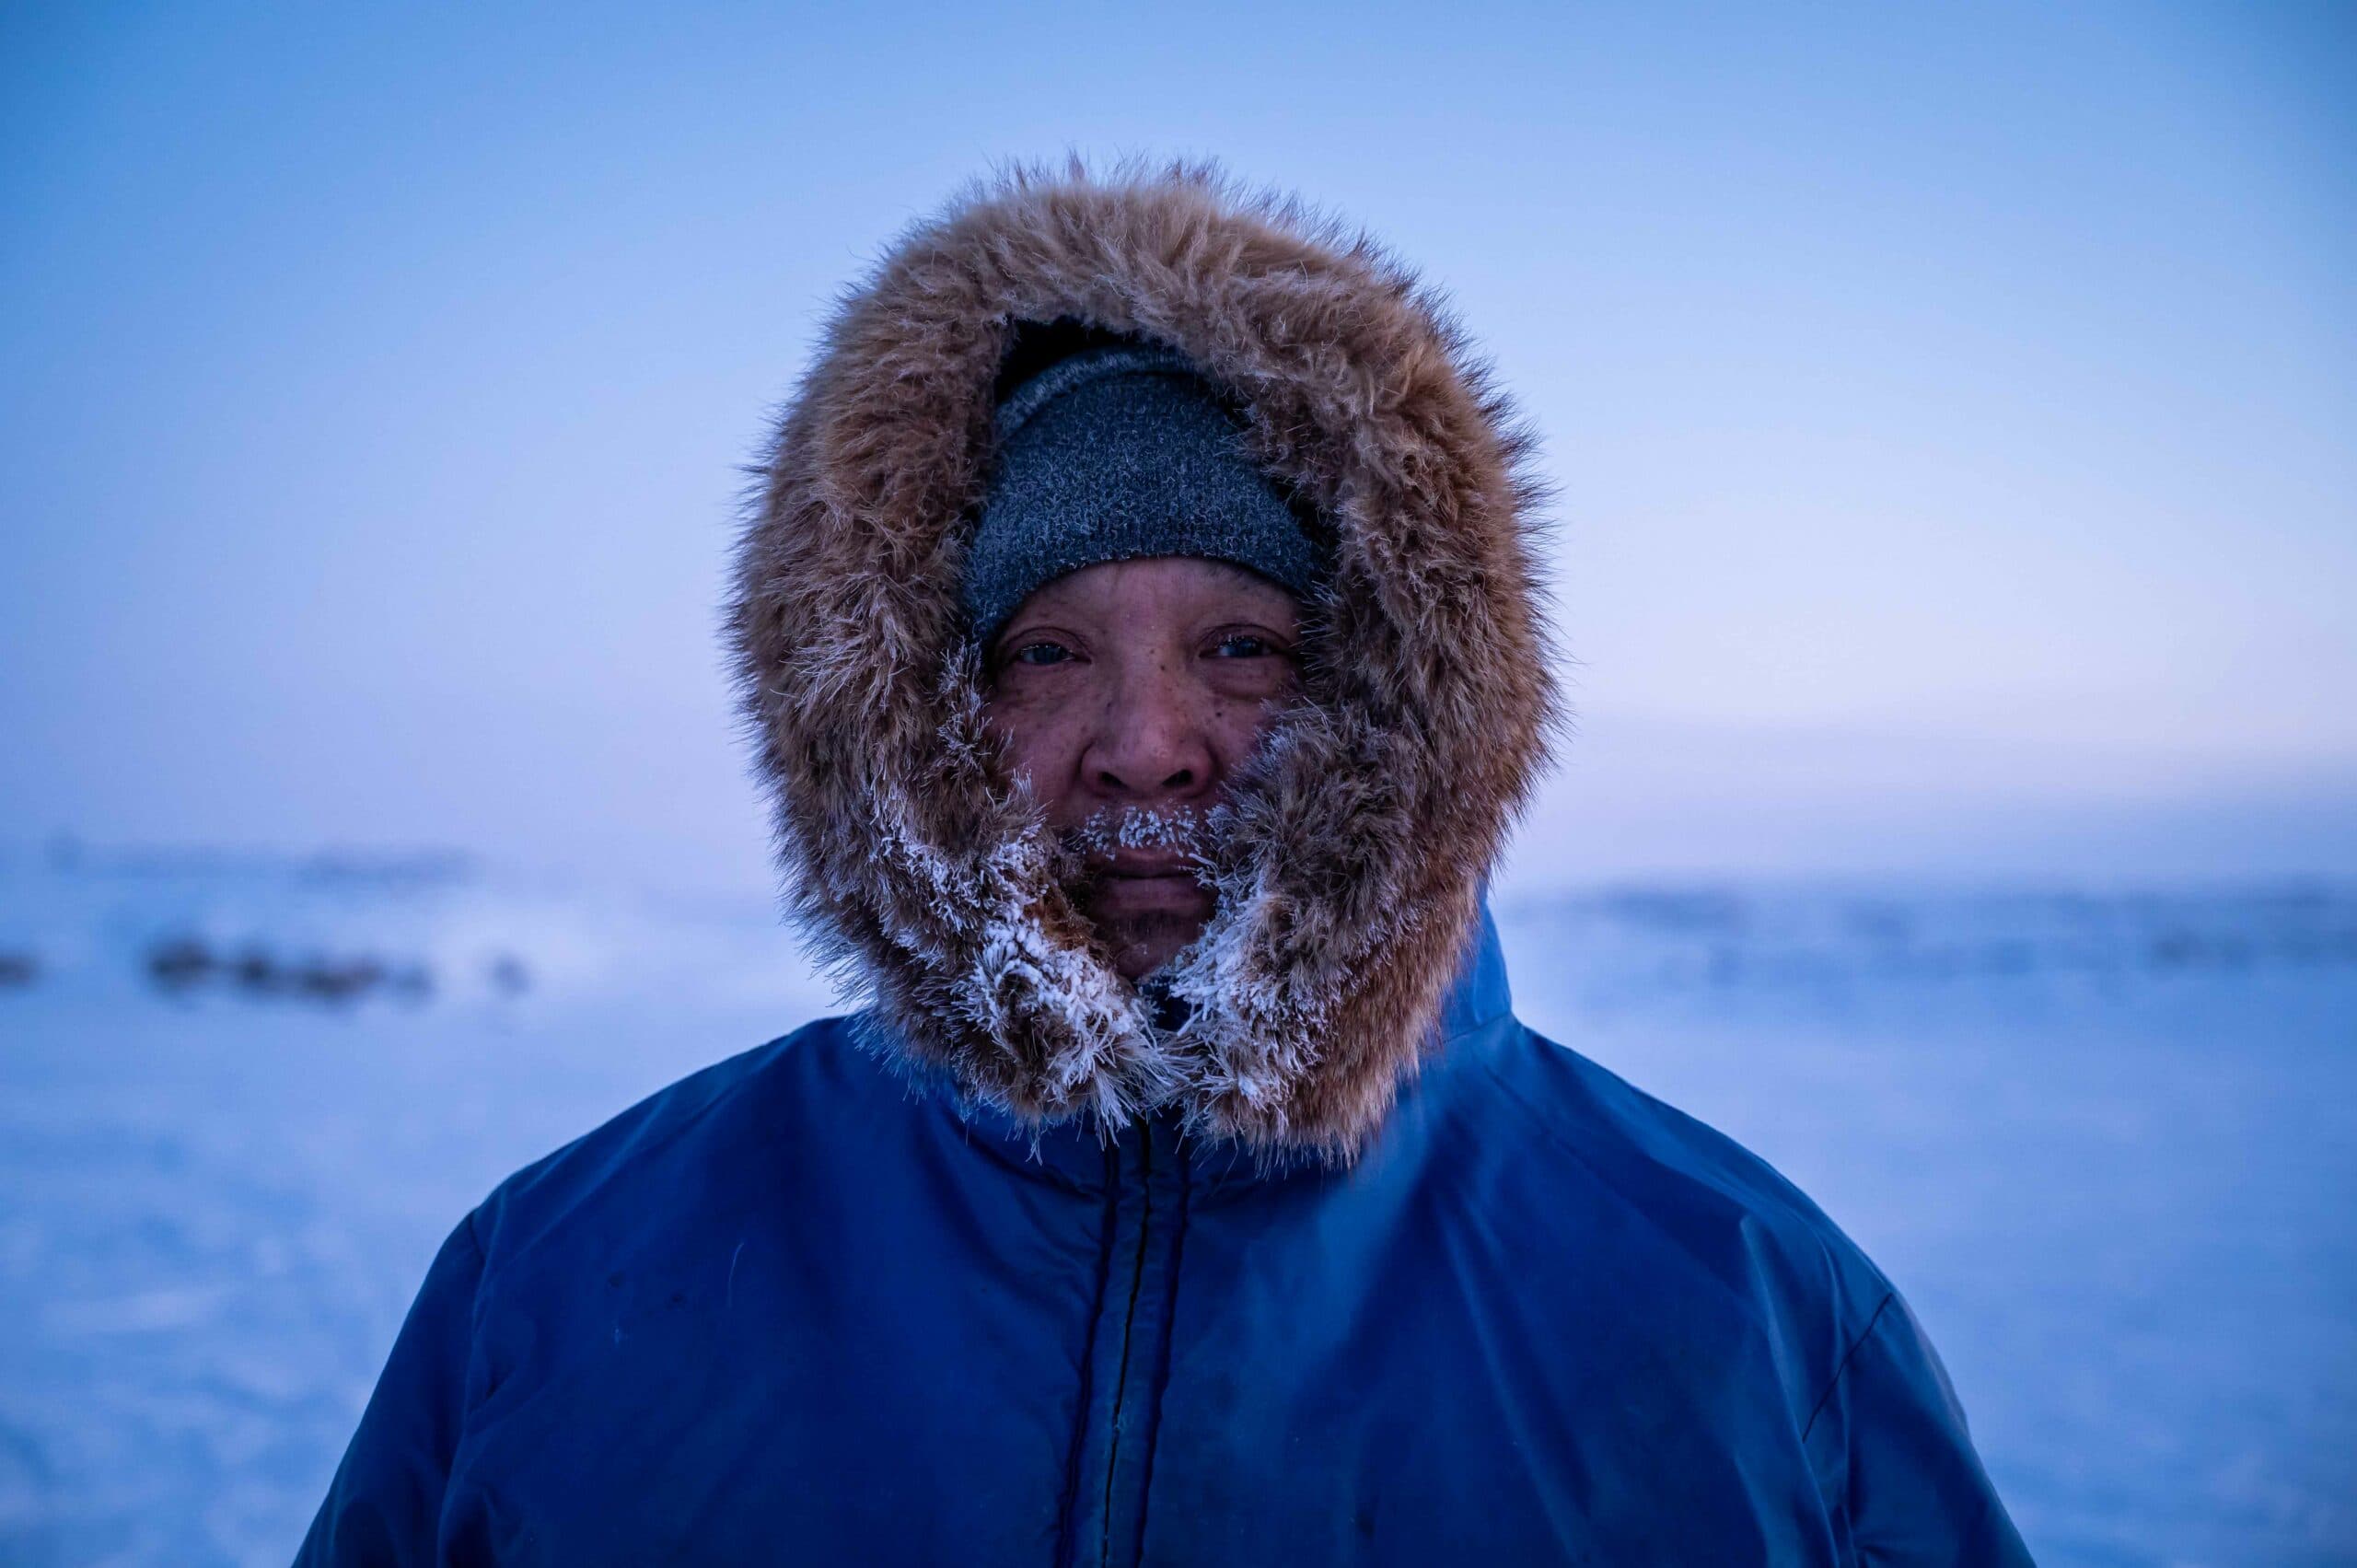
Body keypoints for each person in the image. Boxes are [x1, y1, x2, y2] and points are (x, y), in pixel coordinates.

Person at [296, 162, 2032, 1566]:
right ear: (904, 705)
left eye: (1246, 648)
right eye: (1047, 650)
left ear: (1400, 693)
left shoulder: (1743, 1312)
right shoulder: (558, 1282)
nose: (1145, 743)